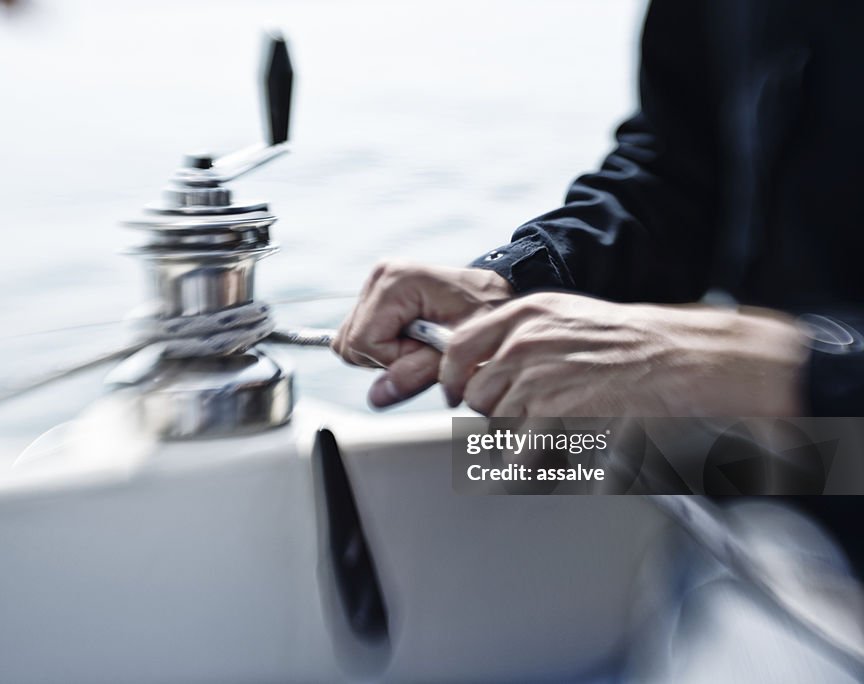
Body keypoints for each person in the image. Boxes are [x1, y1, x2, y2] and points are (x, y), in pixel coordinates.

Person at [333, 0, 864, 419]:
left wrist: (778, 368)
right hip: (798, 466)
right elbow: (681, 167)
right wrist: (518, 278)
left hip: (815, 437)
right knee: (488, 473)